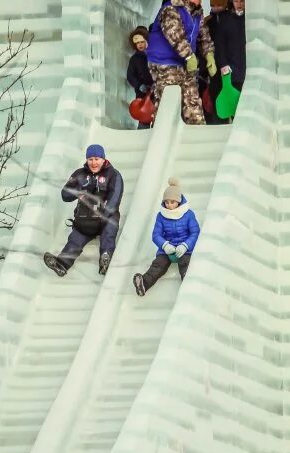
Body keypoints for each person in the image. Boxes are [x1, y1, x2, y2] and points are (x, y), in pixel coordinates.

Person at [44, 144, 124, 277]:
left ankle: (106, 257)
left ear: (103, 159)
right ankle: (62, 264)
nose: (94, 162)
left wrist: (102, 215)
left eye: (97, 159)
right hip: (85, 218)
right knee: (75, 239)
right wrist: (79, 190)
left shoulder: (113, 174)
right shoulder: (79, 174)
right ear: (87, 160)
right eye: (90, 159)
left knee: (109, 230)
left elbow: (115, 198)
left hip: (105, 218)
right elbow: (65, 195)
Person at [147, 0, 216, 125]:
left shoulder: (197, 13)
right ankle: (164, 132)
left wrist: (209, 55)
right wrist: (189, 56)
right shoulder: (170, 9)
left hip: (184, 62)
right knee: (168, 99)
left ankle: (196, 131)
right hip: (165, 61)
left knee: (192, 99)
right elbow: (175, 35)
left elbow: (203, 35)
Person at [133, 178, 200, 296]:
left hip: (185, 248)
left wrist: (185, 245)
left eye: (172, 202)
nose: (169, 205)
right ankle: (144, 283)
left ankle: (188, 286)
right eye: (166, 202)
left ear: (178, 201)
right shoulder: (161, 216)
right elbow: (156, 235)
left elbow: (195, 232)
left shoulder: (188, 214)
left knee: (185, 264)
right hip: (167, 248)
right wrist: (165, 245)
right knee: (158, 264)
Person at [126, 26, 155, 129]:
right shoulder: (134, 59)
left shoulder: (154, 55)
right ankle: (141, 137)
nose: (140, 45)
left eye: (142, 42)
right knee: (144, 119)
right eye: (137, 43)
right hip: (142, 94)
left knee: (159, 118)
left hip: (156, 92)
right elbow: (130, 75)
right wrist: (139, 85)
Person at [215, 0, 246, 93]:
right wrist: (223, 64)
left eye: (242, 1)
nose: (239, 4)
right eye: (236, 1)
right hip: (232, 69)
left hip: (248, 68)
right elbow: (220, 45)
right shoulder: (225, 19)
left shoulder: (252, 19)